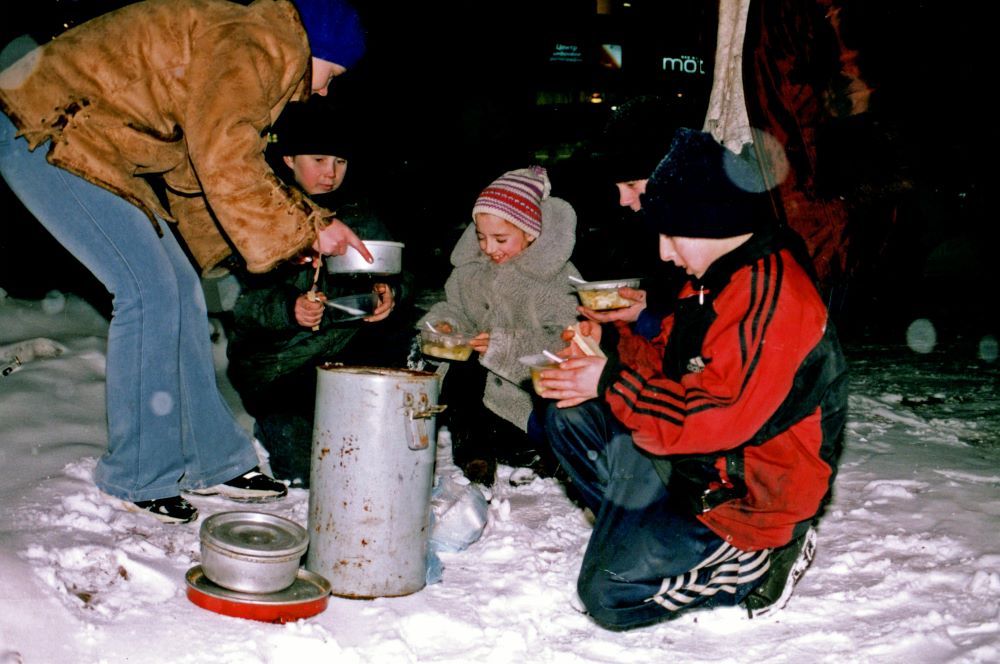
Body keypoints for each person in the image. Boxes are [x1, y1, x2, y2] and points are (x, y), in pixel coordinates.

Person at [0, 0, 370, 524]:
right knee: (147, 292)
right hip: (47, 127)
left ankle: (212, 461)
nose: (325, 90)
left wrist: (246, 246)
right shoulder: (256, 45)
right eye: (331, 74)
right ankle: (138, 473)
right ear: (317, 47)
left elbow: (193, 171)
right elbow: (226, 156)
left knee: (179, 288)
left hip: (94, 143)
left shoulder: (249, 51)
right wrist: (309, 225)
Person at [537, 128, 848, 629]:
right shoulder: (713, 279)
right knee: (568, 414)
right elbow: (671, 363)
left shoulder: (772, 296)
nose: (663, 253)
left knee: (609, 595)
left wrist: (610, 380)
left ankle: (756, 560)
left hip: (750, 497)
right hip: (700, 468)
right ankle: (648, 534)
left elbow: (715, 414)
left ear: (708, 224)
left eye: (670, 235)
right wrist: (611, 346)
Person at [225, 97, 414, 487]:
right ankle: (278, 429)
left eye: (340, 162)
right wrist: (289, 308)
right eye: (319, 160)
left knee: (371, 459)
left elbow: (398, 270)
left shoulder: (359, 213)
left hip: (343, 352)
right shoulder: (261, 214)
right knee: (309, 474)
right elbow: (238, 303)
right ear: (290, 158)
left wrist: (390, 290)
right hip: (280, 366)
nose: (330, 173)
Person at [418, 166, 582, 485]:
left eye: (501, 239)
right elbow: (455, 307)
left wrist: (503, 345)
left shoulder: (557, 278)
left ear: (530, 233)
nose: (490, 248)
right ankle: (475, 456)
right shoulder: (472, 273)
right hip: (482, 405)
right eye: (481, 238)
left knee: (538, 424)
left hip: (526, 403)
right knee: (464, 369)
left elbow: (565, 339)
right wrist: (447, 326)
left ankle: (543, 454)